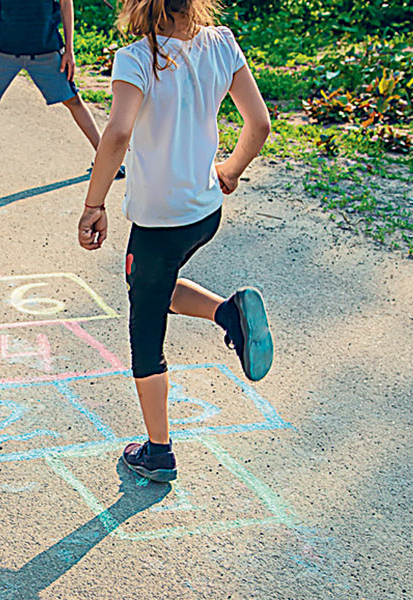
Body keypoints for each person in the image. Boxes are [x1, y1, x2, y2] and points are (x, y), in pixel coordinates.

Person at [76, 0, 274, 482]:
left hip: (159, 223)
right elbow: (260, 124)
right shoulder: (221, 43)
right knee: (152, 284)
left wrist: (94, 204)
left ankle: (158, 452)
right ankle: (228, 313)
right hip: (205, 213)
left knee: (146, 334)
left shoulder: (136, 58)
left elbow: (118, 133)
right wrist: (231, 171)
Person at [0, 0, 123, 179]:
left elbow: (65, 3)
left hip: (46, 51)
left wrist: (70, 50)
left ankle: (104, 158)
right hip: (3, 49)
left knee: (74, 101)